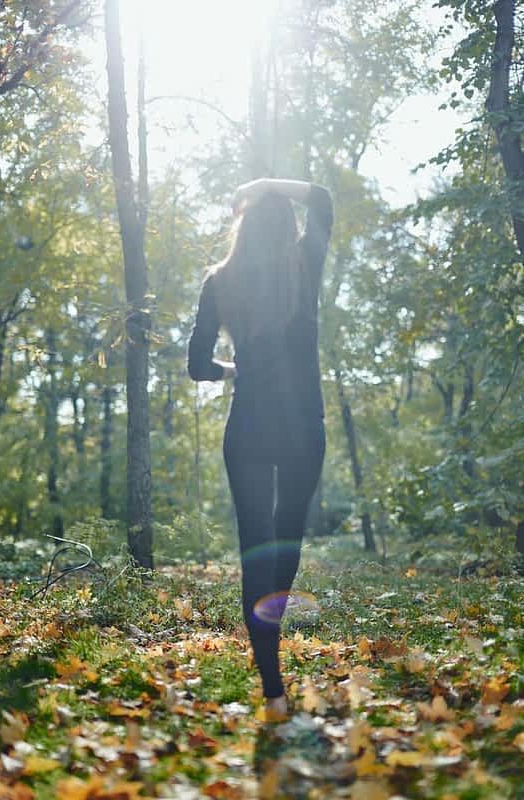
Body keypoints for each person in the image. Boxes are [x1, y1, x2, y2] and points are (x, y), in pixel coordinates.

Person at [188, 178, 334, 717]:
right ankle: (273, 645)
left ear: (242, 229)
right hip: (301, 425)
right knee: (286, 539)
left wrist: (231, 367)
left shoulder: (220, 281)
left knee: (255, 547)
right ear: (287, 229)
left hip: (248, 426)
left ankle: (272, 689)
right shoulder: (303, 267)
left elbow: (196, 366)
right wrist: (263, 185)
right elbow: (321, 198)